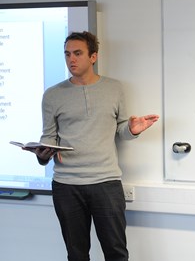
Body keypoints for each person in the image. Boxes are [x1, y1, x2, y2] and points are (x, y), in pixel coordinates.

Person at [30, 31, 159, 261]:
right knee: (77, 255)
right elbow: (48, 139)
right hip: (66, 185)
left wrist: (132, 129)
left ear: (93, 57)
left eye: (78, 53)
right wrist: (42, 154)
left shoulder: (114, 88)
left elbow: (121, 130)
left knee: (116, 253)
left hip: (106, 183)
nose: (71, 59)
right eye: (67, 54)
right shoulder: (52, 95)